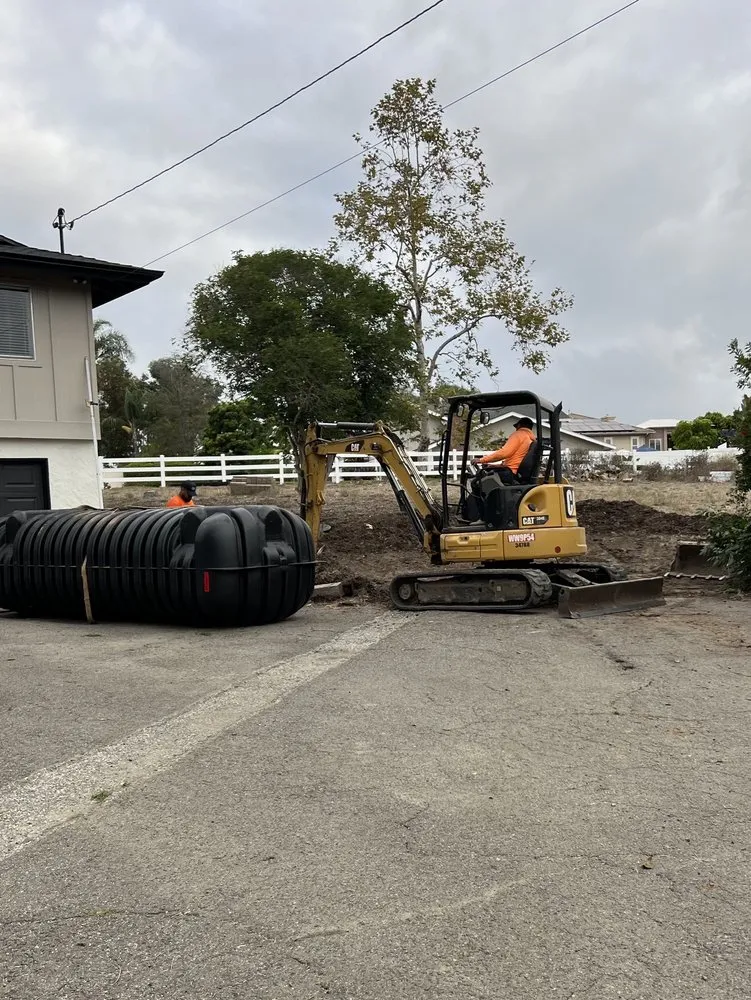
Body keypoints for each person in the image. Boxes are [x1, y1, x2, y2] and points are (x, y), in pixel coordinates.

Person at [474, 417, 536, 484]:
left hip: (509, 474)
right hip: (516, 473)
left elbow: (504, 453)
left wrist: (481, 460)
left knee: (477, 483)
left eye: (516, 427)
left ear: (519, 425)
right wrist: (494, 466)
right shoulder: (530, 439)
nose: (516, 429)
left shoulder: (519, 434)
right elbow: (515, 461)